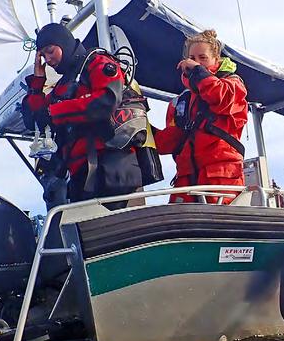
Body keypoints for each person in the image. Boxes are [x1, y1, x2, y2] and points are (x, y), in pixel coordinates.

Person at [19, 23, 142, 209]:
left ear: (64, 44)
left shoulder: (97, 62)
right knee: (82, 229)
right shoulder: (63, 85)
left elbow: (106, 101)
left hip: (109, 166)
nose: (48, 59)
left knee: (101, 227)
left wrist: (56, 112)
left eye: (50, 51)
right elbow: (34, 119)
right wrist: (37, 82)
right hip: (80, 172)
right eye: (43, 55)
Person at [154, 29, 248, 203]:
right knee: (176, 225)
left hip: (219, 175)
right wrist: (142, 131)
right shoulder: (183, 101)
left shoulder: (233, 84)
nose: (195, 62)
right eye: (192, 57)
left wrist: (198, 72)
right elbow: (172, 140)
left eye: (202, 58)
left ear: (216, 59)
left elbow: (220, 97)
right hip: (187, 177)